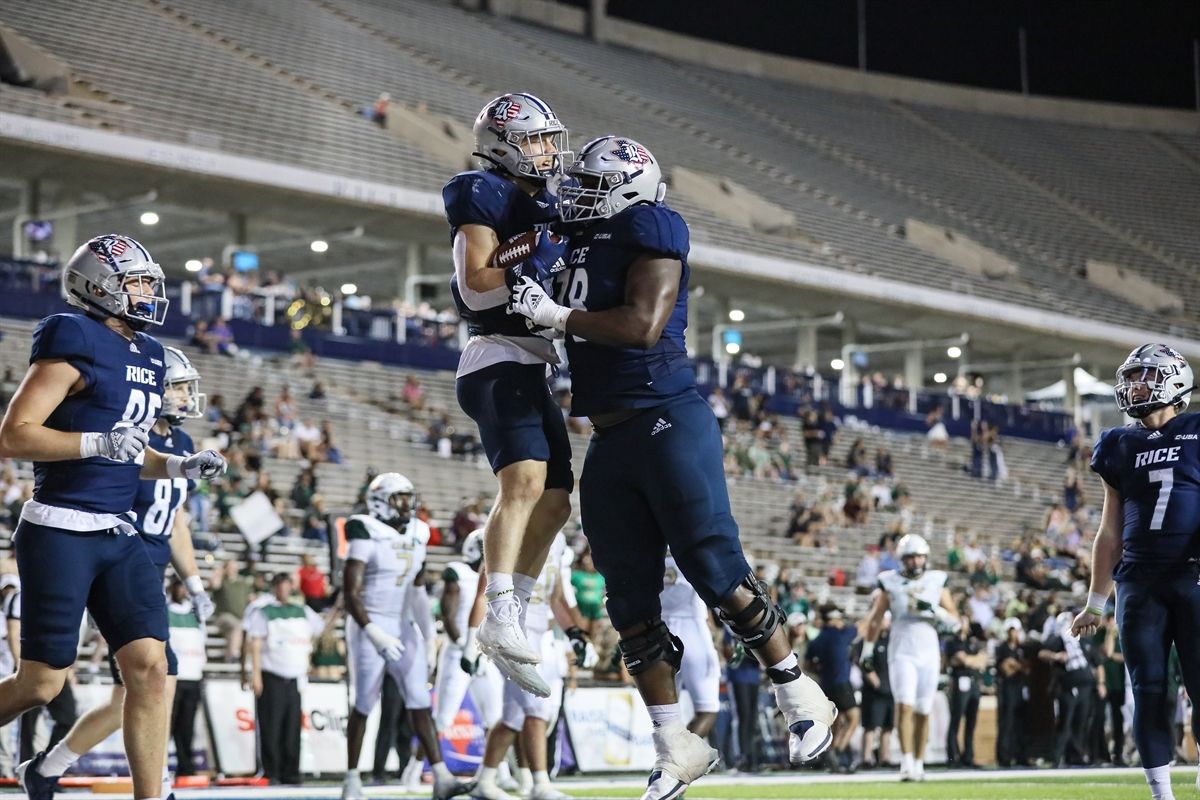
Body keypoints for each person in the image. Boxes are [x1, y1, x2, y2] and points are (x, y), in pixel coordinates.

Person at [506, 136, 834, 799]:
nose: (580, 195)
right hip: (607, 436)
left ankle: (799, 690)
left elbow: (641, 324)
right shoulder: (574, 235)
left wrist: (557, 314)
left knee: (713, 565)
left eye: (595, 185)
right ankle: (675, 746)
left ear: (628, 188)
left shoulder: (650, 224)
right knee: (629, 605)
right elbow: (509, 252)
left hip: (666, 418)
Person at [0, 235, 224, 800]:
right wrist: (96, 442)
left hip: (117, 529)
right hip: (60, 526)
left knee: (150, 667)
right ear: (99, 284)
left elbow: (131, 453)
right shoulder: (72, 334)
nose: (148, 293)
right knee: (42, 684)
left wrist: (178, 463)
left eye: (150, 282)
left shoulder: (150, 353)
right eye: (138, 282)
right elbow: (15, 434)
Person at [26, 346, 218, 799]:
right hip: (117, 565)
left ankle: (47, 768)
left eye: (188, 388)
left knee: (130, 695)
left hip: (149, 570)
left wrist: (193, 581)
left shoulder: (183, 444)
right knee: (153, 678)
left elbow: (175, 520)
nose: (187, 396)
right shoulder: (125, 431)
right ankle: (157, 785)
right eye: (177, 387)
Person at [443, 93, 574, 688]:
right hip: (497, 354)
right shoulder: (481, 190)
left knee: (556, 501)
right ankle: (496, 608)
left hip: (533, 363)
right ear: (503, 143)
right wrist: (532, 250)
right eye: (537, 139)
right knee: (523, 482)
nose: (549, 151)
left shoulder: (545, 201)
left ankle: (514, 608)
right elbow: (474, 286)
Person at [1071, 344, 1200, 800]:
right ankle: (1161, 795)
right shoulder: (1119, 444)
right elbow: (1109, 531)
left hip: (1193, 576)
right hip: (1139, 583)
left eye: (1144, 376)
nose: (1133, 386)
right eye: (1131, 377)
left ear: (1172, 380)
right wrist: (1095, 602)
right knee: (1147, 690)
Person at [339, 473, 473, 800]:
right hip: (368, 624)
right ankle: (352, 779)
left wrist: (428, 638)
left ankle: (441, 777)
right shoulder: (363, 530)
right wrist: (374, 634)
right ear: (380, 500)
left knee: (419, 700)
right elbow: (351, 592)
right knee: (364, 703)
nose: (406, 504)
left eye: (408, 496)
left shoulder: (418, 531)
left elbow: (417, 589)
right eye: (399, 497)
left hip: (402, 624)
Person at [471, 530, 587, 800]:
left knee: (513, 716)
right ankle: (540, 784)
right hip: (511, 628)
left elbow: (555, 596)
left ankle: (485, 781)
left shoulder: (556, 539)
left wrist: (574, 633)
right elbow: (483, 588)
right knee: (537, 707)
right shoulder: (513, 522)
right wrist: (470, 642)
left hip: (541, 633)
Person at [859, 533, 959, 782]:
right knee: (904, 705)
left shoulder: (937, 581)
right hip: (902, 649)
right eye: (911, 557)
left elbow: (956, 621)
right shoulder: (889, 581)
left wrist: (933, 609)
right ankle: (905, 762)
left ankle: (919, 761)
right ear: (903, 559)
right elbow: (875, 618)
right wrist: (868, 650)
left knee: (924, 709)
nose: (915, 561)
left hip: (928, 648)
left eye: (919, 556)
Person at [245, 573, 326, 786]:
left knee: (292, 728)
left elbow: (321, 627)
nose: (283, 589)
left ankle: (291, 771)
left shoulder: (302, 611)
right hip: (272, 675)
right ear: (274, 588)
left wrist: (336, 609)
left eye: (286, 585)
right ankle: (272, 771)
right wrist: (256, 675)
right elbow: (255, 644)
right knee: (271, 726)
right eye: (279, 585)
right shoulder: (264, 611)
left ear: (291, 587)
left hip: (295, 677)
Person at [433, 530, 503, 744]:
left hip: (485, 653)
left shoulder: (497, 576)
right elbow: (447, 615)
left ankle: (497, 772)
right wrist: (465, 647)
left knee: (495, 716)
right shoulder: (459, 572)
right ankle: (417, 768)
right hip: (458, 650)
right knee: (443, 717)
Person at [660, 553, 719, 737]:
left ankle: (668, 760)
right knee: (708, 709)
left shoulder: (650, 540)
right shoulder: (690, 536)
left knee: (666, 715)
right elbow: (719, 588)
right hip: (691, 626)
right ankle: (680, 760)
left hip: (658, 627)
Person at [803, 607, 859, 773]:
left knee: (837, 723)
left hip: (826, 685)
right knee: (854, 718)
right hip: (841, 683)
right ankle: (837, 753)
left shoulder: (817, 639)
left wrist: (821, 670)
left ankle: (833, 757)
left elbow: (806, 664)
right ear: (833, 619)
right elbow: (860, 627)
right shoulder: (841, 634)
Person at [165, 579, 206, 777]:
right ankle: (159, 766)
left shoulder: (195, 615)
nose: (181, 591)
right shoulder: (166, 612)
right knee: (166, 724)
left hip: (193, 676)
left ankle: (186, 767)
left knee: (187, 726)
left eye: (184, 587)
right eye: (178, 587)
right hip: (173, 678)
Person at [944, 620, 986, 768]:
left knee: (971, 722)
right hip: (959, 682)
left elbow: (982, 660)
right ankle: (953, 757)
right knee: (956, 719)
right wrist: (970, 660)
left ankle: (968, 756)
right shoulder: (952, 642)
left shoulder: (972, 641)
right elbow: (962, 660)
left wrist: (969, 660)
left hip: (974, 682)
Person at [858, 616, 894, 770]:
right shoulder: (868, 642)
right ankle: (867, 758)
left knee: (888, 726)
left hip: (891, 690)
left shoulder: (891, 641)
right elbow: (864, 663)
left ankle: (885, 757)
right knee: (871, 725)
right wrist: (876, 683)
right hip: (874, 692)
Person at [994, 618, 1029, 767]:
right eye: (1010, 630)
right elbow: (1005, 670)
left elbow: (1027, 669)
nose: (1013, 633)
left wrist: (1015, 664)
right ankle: (1004, 757)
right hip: (1007, 689)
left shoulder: (1022, 649)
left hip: (1020, 688)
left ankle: (1021, 756)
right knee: (1006, 723)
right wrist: (1017, 666)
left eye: (1014, 629)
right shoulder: (1002, 648)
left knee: (1021, 724)